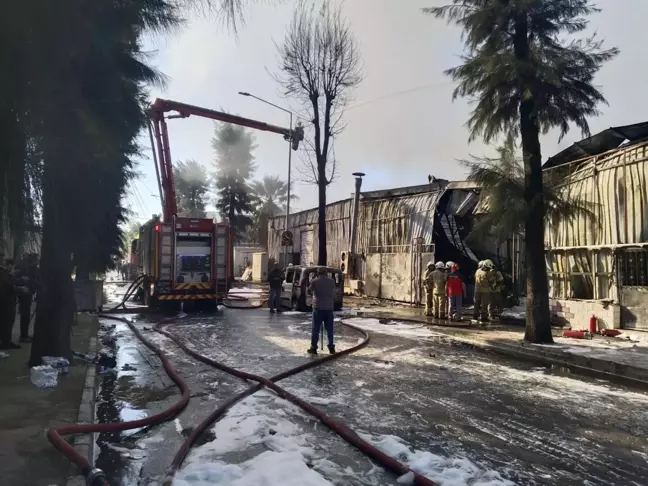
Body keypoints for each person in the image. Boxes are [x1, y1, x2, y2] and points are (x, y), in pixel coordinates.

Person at [307, 267, 336, 355]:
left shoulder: (315, 281)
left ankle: (314, 347)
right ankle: (331, 347)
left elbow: (309, 291)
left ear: (318, 273)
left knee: (315, 329)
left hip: (318, 307)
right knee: (330, 329)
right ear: (326, 272)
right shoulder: (332, 281)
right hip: (329, 308)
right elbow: (333, 291)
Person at [14, 253, 39, 343]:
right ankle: (23, 336)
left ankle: (24, 334)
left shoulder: (30, 268)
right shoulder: (27, 268)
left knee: (25, 314)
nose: (37, 261)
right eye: (36, 259)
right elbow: (27, 280)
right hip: (25, 293)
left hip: (26, 293)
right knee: (25, 315)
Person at [0, 258, 20, 350]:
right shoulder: (2, 272)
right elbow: (7, 285)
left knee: (8, 321)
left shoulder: (5, 272)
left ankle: (6, 340)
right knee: (6, 321)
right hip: (5, 300)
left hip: (7, 300)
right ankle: (5, 342)